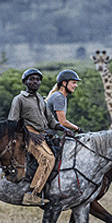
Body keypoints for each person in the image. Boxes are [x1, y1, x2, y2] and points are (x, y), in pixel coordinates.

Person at [8, 68, 73, 206]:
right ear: (25, 82)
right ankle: (32, 194)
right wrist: (30, 134)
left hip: (42, 134)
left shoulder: (40, 99)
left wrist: (63, 129)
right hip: (27, 136)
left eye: (38, 80)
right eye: (32, 79)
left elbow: (51, 121)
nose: (35, 82)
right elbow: (12, 123)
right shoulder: (19, 99)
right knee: (48, 159)